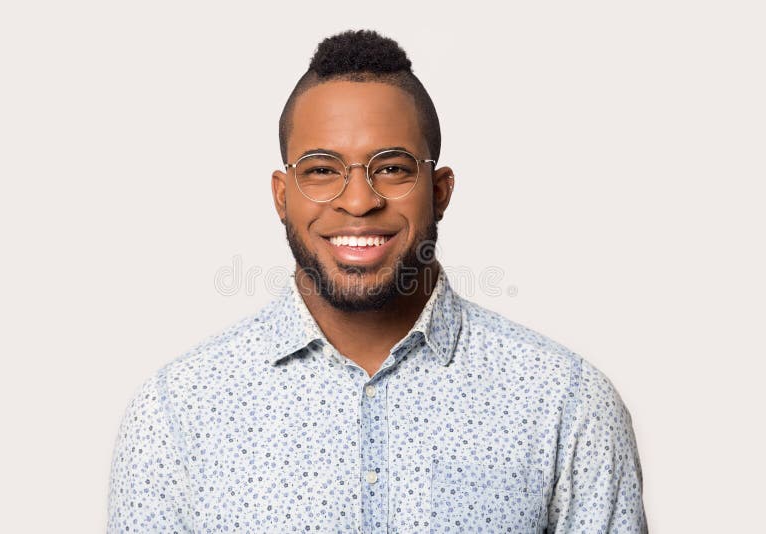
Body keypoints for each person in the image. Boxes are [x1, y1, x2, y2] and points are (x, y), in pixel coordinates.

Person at [107, 29, 648, 533]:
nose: (360, 201)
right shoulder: (176, 412)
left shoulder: (567, 404)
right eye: (321, 169)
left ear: (439, 190)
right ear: (281, 196)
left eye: (391, 167)